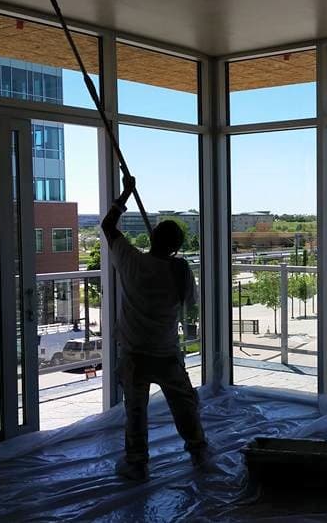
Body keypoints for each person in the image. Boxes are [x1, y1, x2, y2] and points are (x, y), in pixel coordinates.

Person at [101, 174, 207, 481]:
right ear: (175, 247)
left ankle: (137, 462)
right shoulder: (180, 269)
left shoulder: (130, 261)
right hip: (165, 353)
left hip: (134, 354)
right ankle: (198, 450)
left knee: (136, 412)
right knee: (184, 406)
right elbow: (190, 301)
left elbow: (108, 227)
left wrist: (125, 195)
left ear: (152, 238)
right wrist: (172, 261)